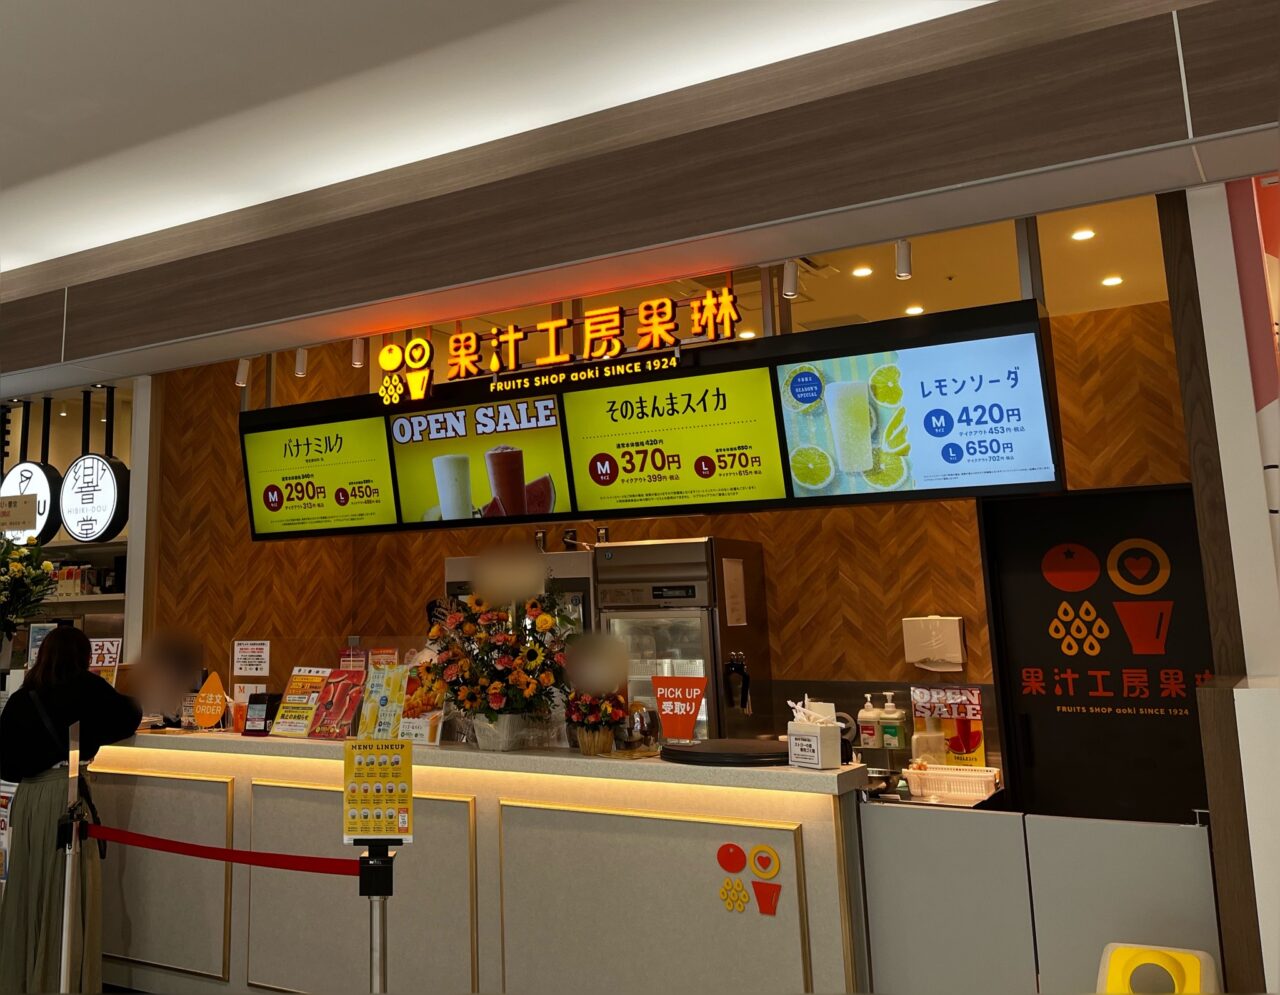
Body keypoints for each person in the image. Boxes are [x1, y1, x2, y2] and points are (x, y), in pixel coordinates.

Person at [0, 626, 141, 994]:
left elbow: (7, 764)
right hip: (65, 798)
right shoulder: (86, 688)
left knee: (28, 891)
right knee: (65, 891)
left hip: (28, 801)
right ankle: (58, 981)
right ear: (83, 658)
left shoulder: (22, 698)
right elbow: (130, 715)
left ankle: (21, 980)